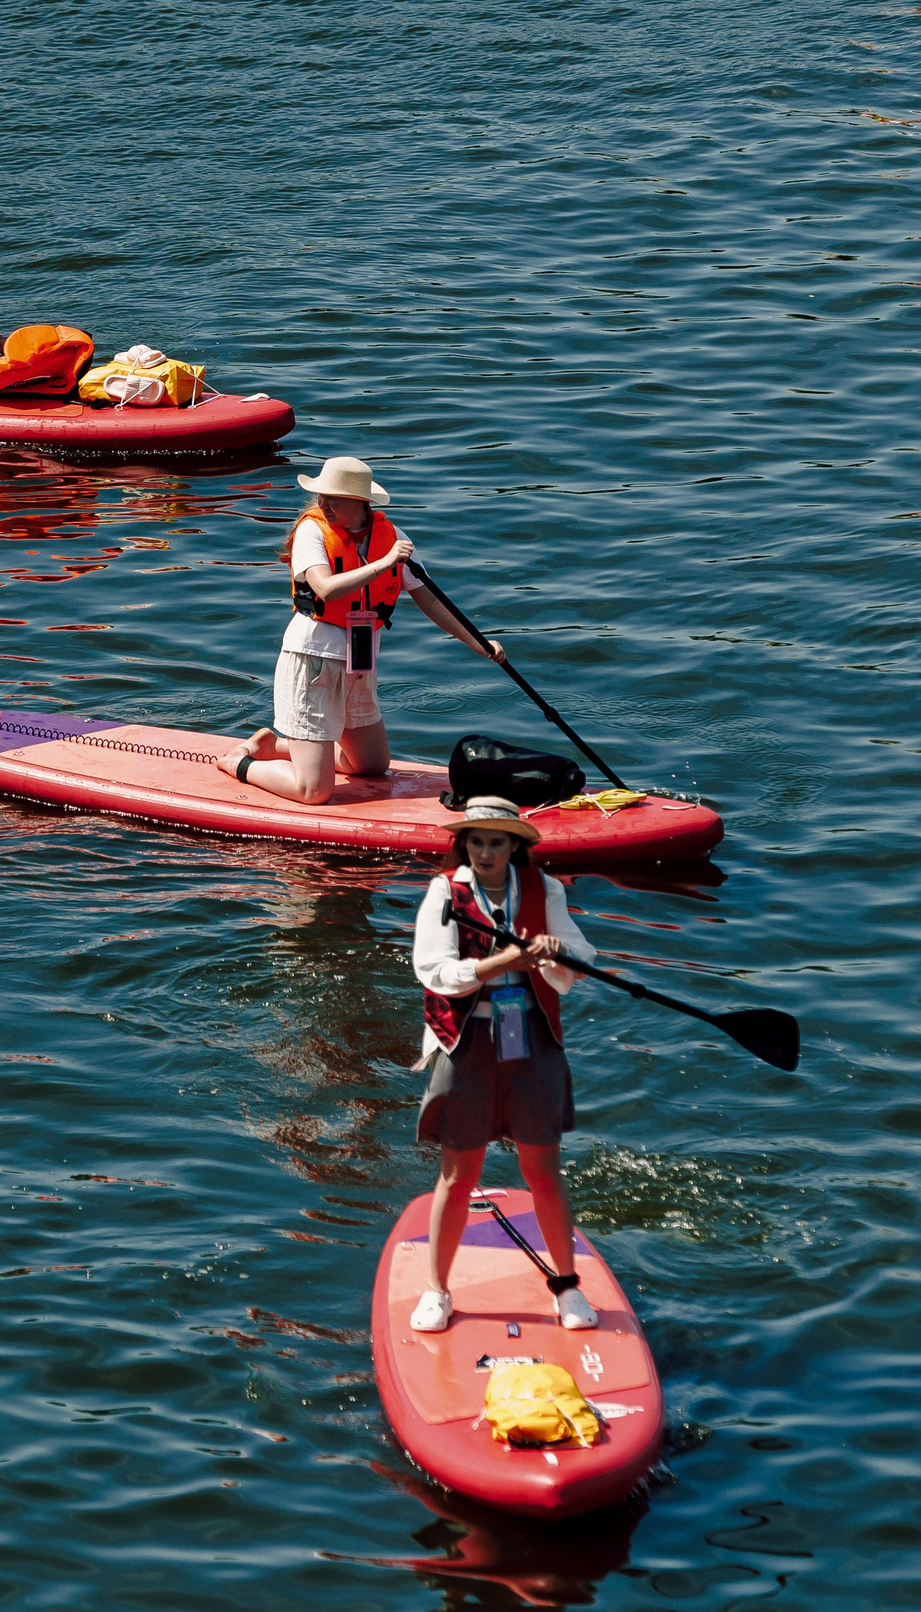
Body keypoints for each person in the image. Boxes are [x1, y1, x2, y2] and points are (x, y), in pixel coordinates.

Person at [408, 798, 601, 1334]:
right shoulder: (445, 891)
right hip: (466, 1040)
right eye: (477, 841)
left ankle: (566, 1287)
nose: (486, 851)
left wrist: (558, 951)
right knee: (458, 1173)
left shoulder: (545, 890)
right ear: (464, 844)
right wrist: (501, 962)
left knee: (542, 1169)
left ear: (516, 845)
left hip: (530, 1037)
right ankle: (438, 1291)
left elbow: (584, 959)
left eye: (497, 841)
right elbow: (433, 970)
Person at [215, 457, 506, 804]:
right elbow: (326, 589)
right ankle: (241, 763)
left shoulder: (392, 536)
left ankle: (277, 745)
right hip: (312, 661)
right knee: (314, 791)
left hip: (359, 661)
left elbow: (431, 601)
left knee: (371, 765)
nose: (323, 504)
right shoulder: (313, 531)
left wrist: (478, 643)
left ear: (359, 501)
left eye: (333, 498)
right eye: (322, 496)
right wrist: (384, 563)